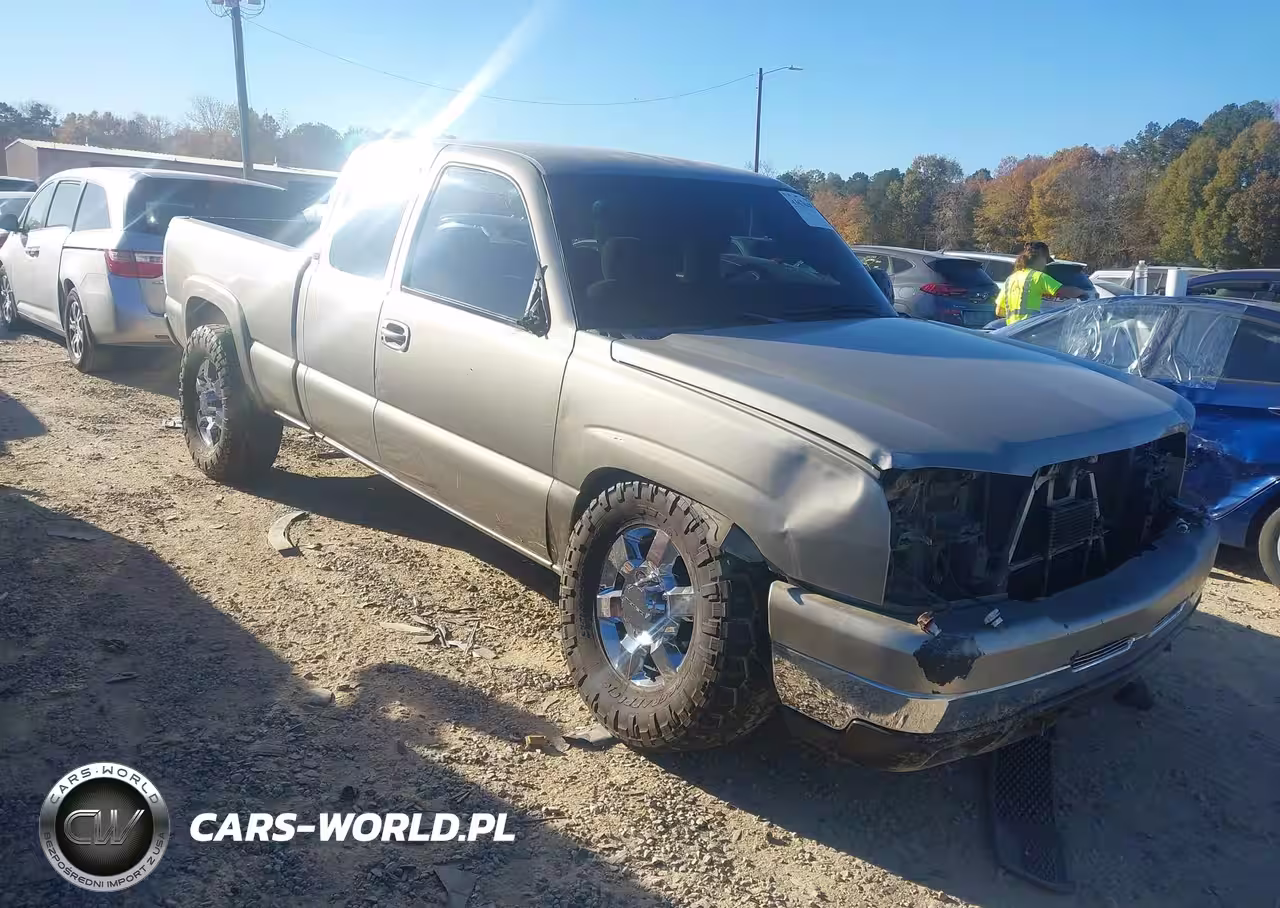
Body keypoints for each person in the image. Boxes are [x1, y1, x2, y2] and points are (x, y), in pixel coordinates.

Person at [994, 241, 1084, 325]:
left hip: (1011, 330)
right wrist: (1082, 292)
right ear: (1041, 258)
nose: (1045, 265)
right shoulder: (1038, 277)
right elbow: (1063, 291)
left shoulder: (1010, 279)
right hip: (1030, 329)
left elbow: (999, 311)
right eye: (1045, 260)